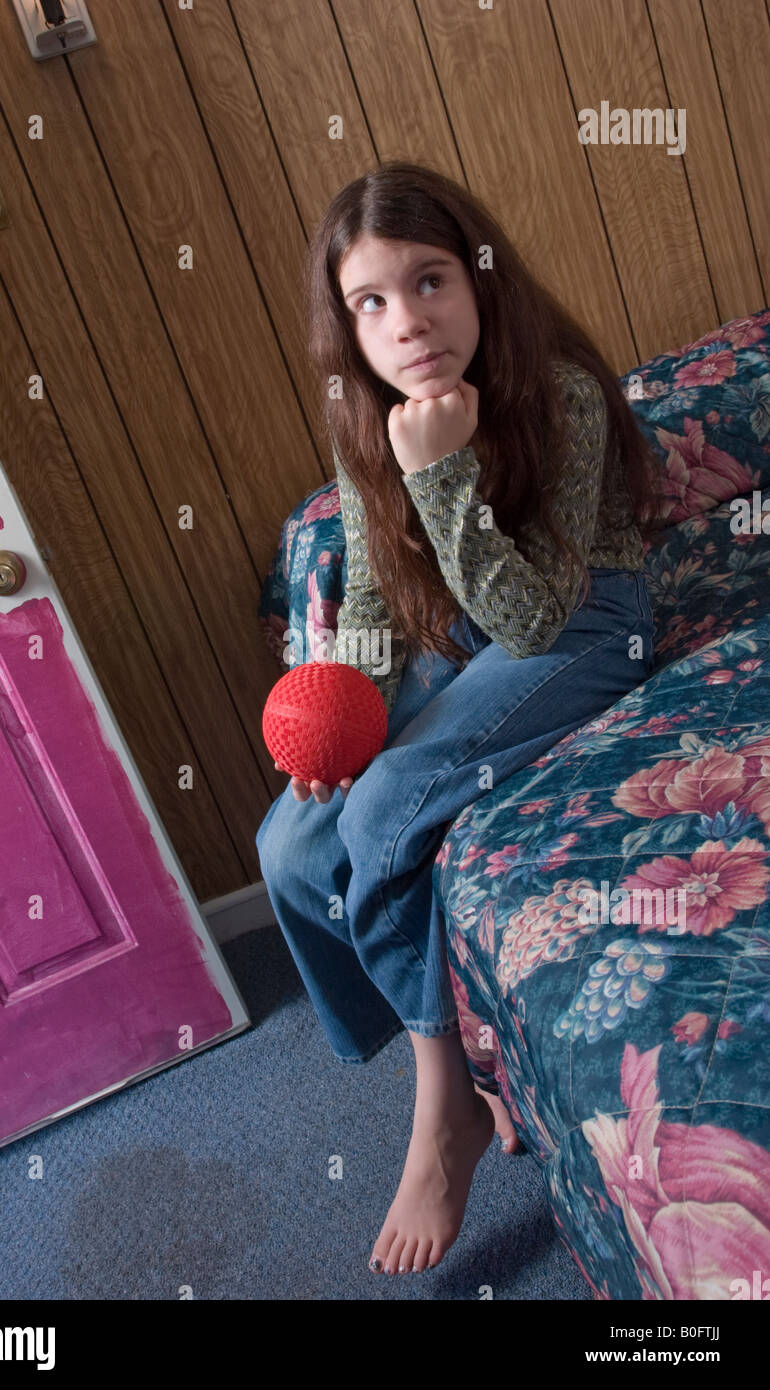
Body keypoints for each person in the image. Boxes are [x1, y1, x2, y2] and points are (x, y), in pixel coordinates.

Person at [256, 162, 666, 1280]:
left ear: (478, 277)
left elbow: (533, 616)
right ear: (345, 328)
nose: (406, 322)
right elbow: (385, 612)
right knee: (289, 842)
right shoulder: (359, 424)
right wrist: (342, 718)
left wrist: (440, 479)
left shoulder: (561, 395)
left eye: (428, 281)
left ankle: (445, 1106)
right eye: (370, 303)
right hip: (467, 642)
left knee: (389, 807)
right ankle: (406, 1030)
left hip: (585, 624)